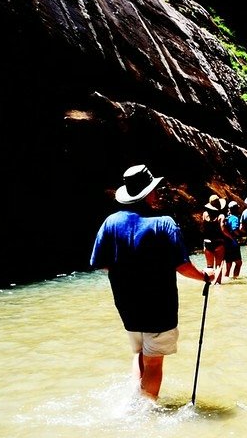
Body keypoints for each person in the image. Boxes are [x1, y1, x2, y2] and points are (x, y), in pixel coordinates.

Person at [90, 164, 214, 400]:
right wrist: (205, 276)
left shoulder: (110, 223)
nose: (157, 193)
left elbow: (102, 263)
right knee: (154, 363)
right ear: (148, 193)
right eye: (154, 189)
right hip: (160, 306)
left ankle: (135, 400)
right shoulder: (164, 223)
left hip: (126, 305)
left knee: (139, 353)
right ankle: (146, 413)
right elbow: (182, 266)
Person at [202, 194, 228, 285]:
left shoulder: (205, 214)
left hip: (207, 242)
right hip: (219, 241)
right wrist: (230, 237)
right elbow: (223, 229)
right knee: (218, 265)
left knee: (209, 266)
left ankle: (208, 283)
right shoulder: (221, 215)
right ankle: (217, 284)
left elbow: (204, 227)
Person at [223, 200, 243, 279]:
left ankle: (226, 278)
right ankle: (235, 278)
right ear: (235, 209)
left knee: (228, 264)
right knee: (238, 263)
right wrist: (239, 235)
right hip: (233, 243)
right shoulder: (235, 218)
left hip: (226, 243)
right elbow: (234, 229)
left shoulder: (227, 217)